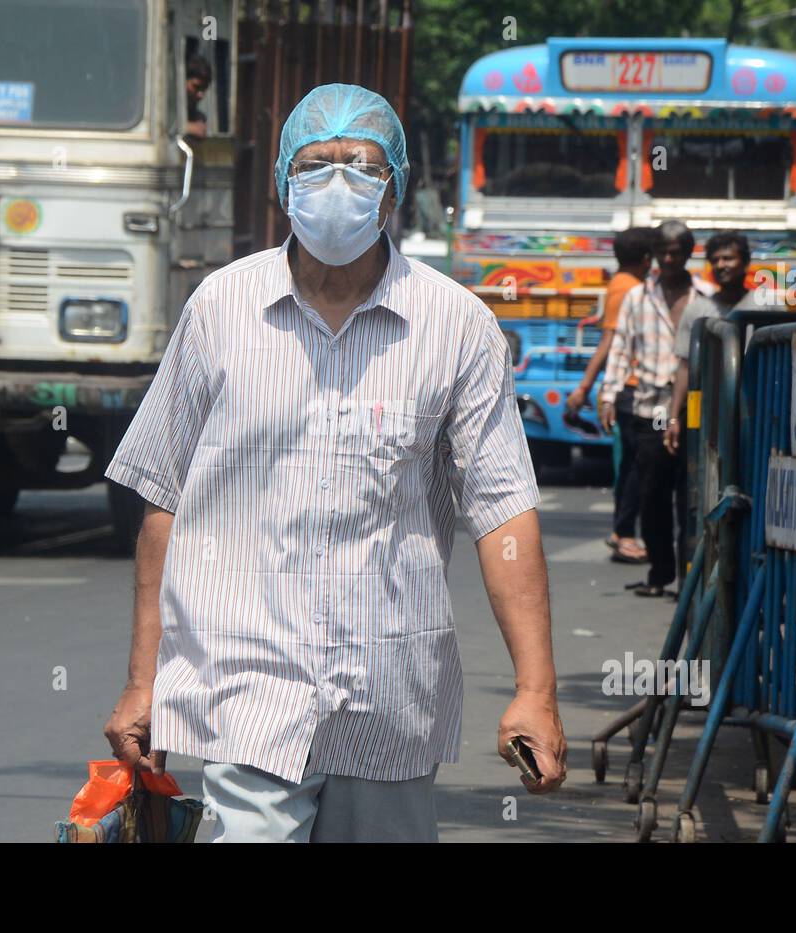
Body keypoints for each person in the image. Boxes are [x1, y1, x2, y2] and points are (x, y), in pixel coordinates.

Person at [102, 84, 566, 843]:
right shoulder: (220, 309)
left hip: (389, 693)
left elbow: (503, 511)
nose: (339, 184)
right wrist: (143, 681)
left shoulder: (457, 327)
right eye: (318, 165)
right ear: (286, 181)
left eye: (362, 165)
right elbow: (165, 500)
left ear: (397, 188)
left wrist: (536, 689)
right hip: (244, 685)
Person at [598, 221, 715, 598]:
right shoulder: (637, 298)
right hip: (651, 409)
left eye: (676, 252)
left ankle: (688, 578)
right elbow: (620, 348)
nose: (669, 258)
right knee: (652, 495)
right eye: (663, 252)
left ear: (688, 253)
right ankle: (660, 573)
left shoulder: (705, 298)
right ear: (653, 255)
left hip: (696, 409)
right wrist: (609, 394)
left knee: (692, 495)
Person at [565, 227, 654, 563]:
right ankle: (625, 532)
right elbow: (610, 341)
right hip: (631, 388)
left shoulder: (622, 285)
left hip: (629, 388)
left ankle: (624, 530)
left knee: (631, 464)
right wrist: (586, 387)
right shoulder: (628, 289)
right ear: (648, 258)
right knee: (634, 465)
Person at [664, 231, 761, 457]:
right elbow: (685, 367)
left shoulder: (765, 305)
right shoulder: (698, 309)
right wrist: (673, 417)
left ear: (745, 263)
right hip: (712, 414)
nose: (721, 265)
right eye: (715, 260)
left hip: (758, 411)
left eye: (728, 258)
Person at [184, 54, 212, 139]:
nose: (200, 94)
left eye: (204, 88)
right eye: (196, 87)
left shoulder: (198, 117)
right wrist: (189, 127)